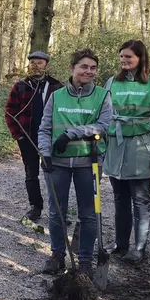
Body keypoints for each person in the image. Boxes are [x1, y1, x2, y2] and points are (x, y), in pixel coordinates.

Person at [38, 49, 112, 279]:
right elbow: (44, 127)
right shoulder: (57, 96)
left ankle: (86, 261)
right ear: (73, 69)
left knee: (88, 214)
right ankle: (57, 255)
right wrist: (45, 153)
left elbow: (103, 125)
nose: (88, 71)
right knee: (56, 211)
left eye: (92, 68)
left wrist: (71, 134)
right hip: (58, 163)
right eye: (84, 67)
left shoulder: (102, 95)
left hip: (88, 162)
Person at [103, 40, 150, 264]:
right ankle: (120, 243)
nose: (124, 61)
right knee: (119, 197)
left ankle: (139, 247)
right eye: (121, 57)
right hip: (117, 145)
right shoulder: (112, 82)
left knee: (140, 198)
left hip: (142, 147)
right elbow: (104, 114)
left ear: (141, 58)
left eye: (128, 57)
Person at [4, 51, 63, 221]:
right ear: (28, 65)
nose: (36, 66)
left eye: (40, 63)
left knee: (54, 172)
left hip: (51, 137)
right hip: (27, 137)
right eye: (33, 63)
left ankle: (58, 209)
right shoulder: (21, 86)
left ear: (46, 65)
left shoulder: (56, 86)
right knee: (31, 173)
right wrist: (18, 135)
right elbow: (10, 112)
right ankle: (35, 207)